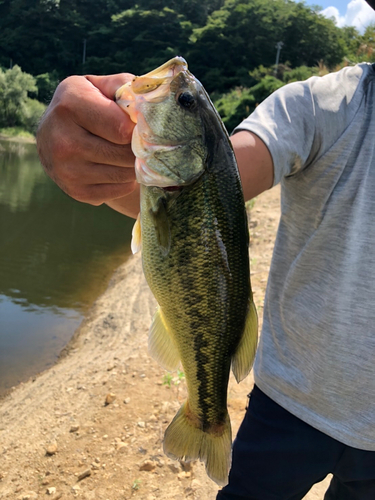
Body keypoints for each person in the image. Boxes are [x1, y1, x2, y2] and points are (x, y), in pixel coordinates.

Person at [37, 4, 375, 498]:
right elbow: (192, 187)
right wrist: (87, 165)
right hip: (287, 404)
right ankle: (206, 415)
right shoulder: (320, 107)